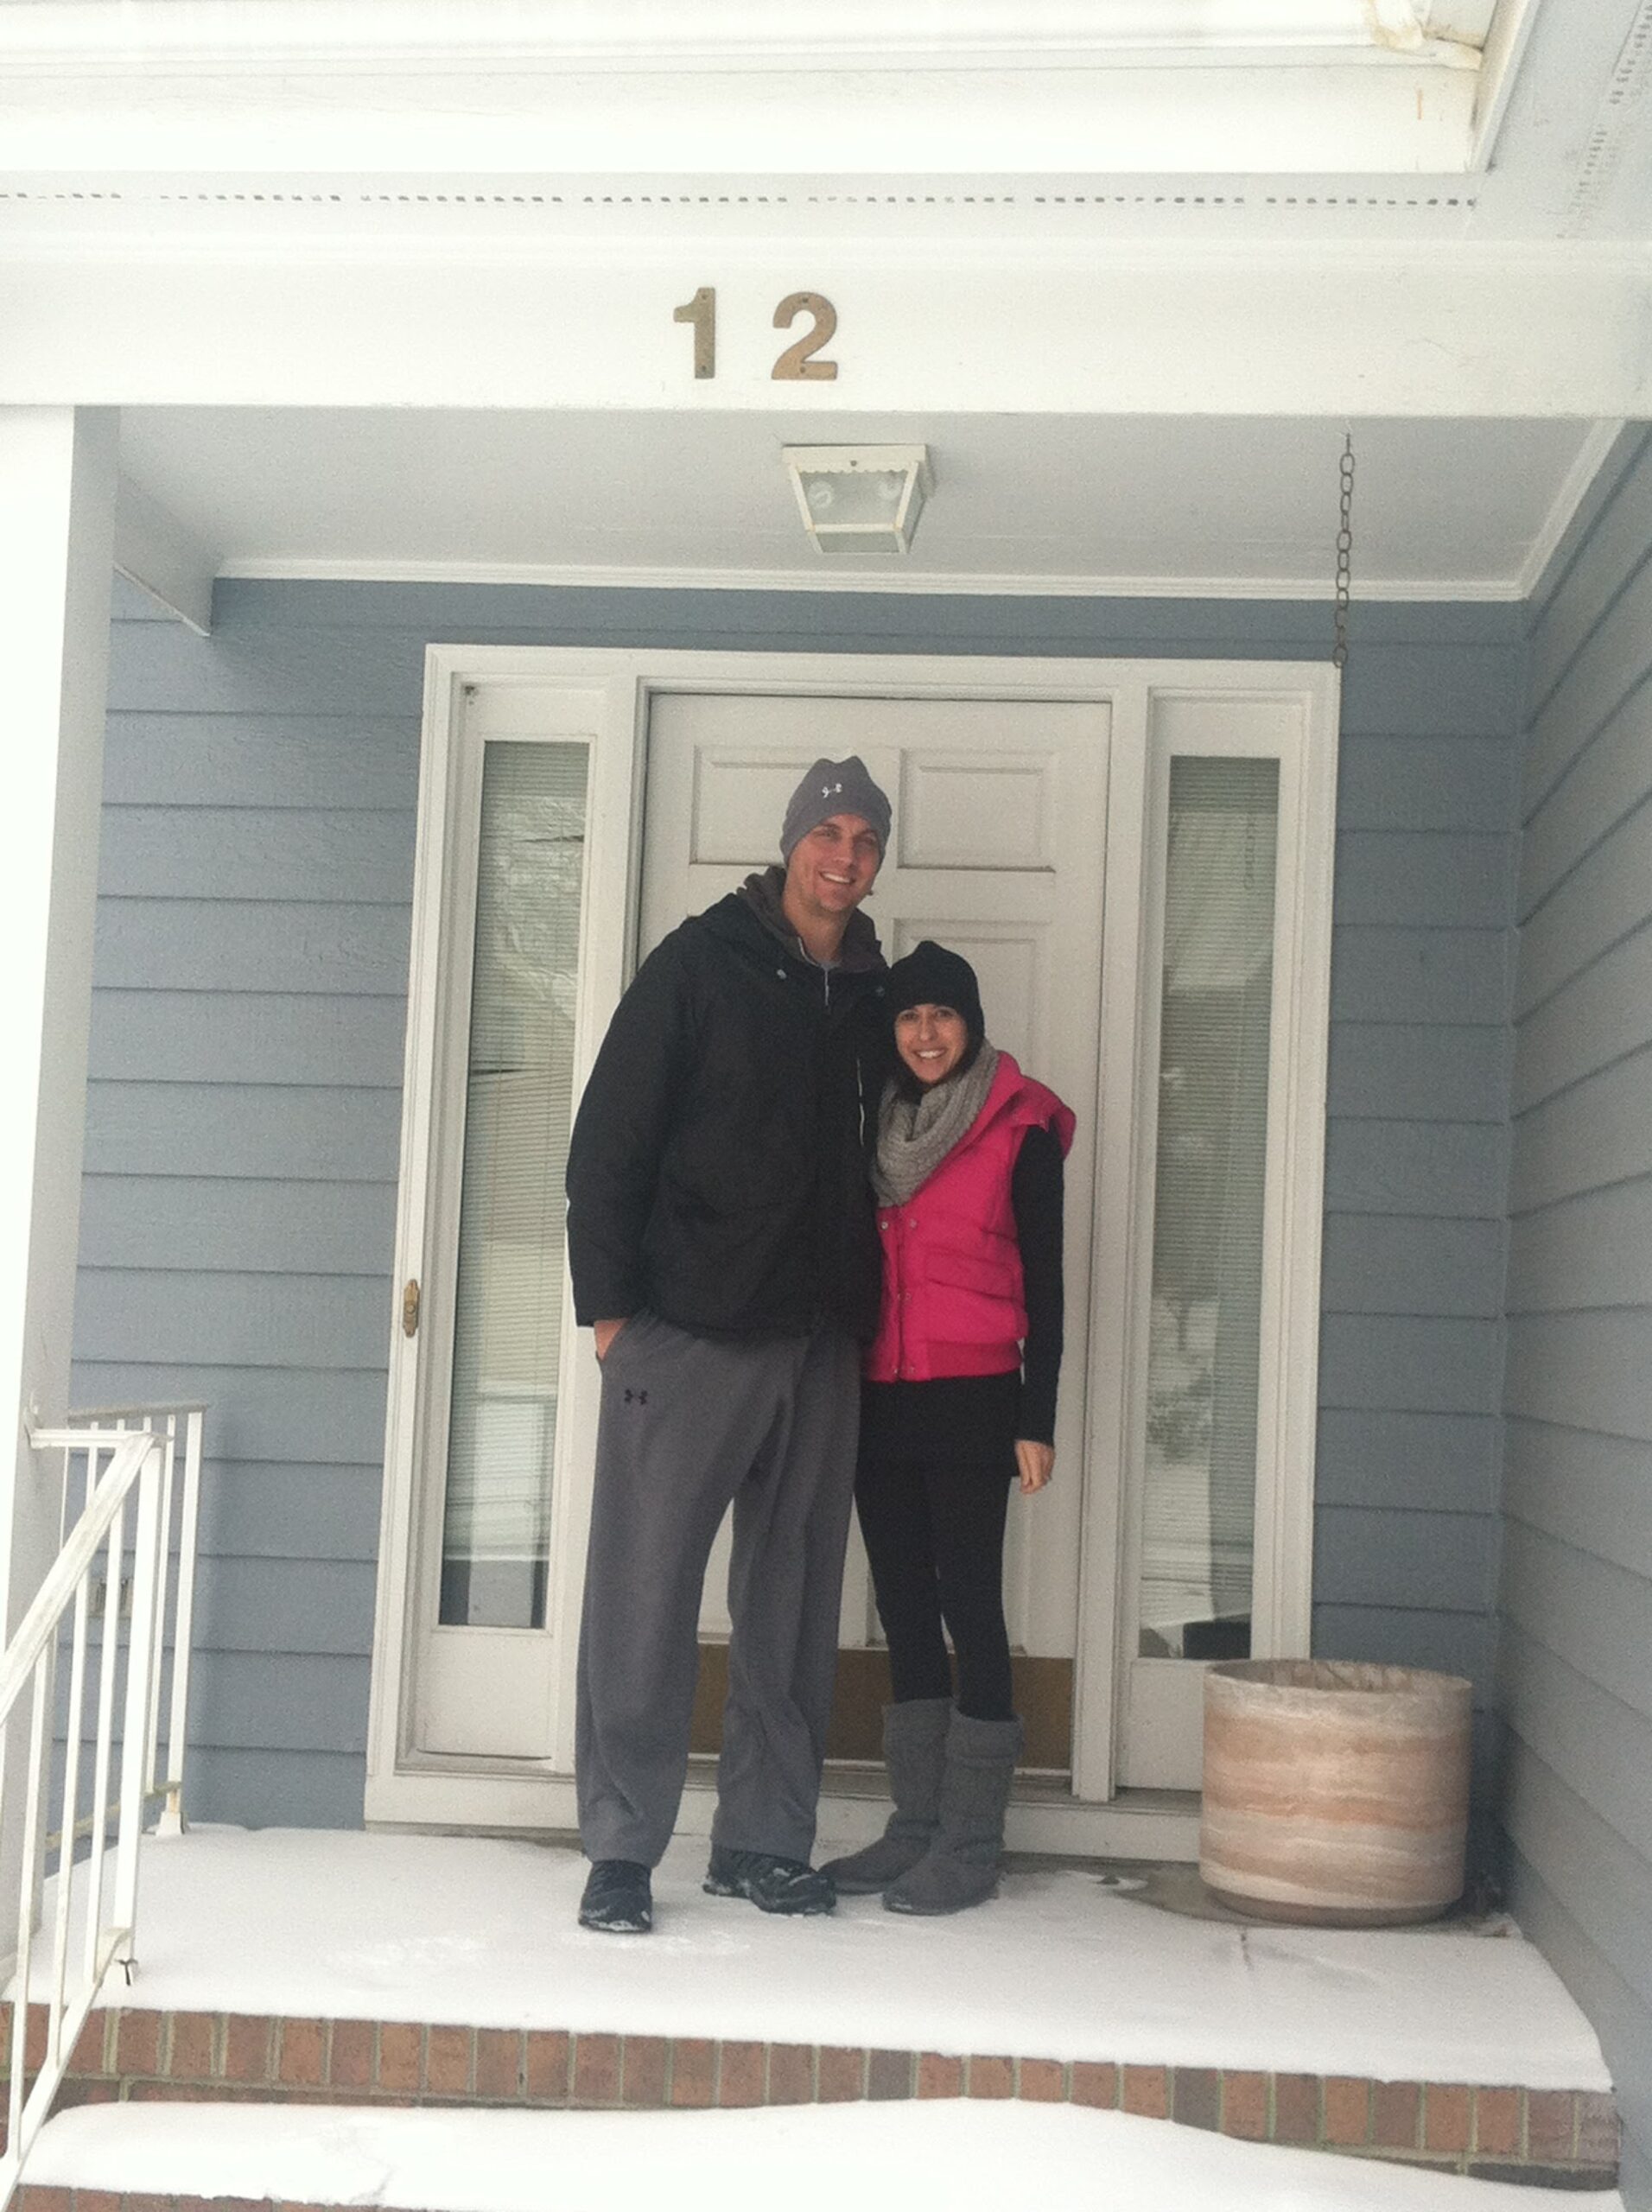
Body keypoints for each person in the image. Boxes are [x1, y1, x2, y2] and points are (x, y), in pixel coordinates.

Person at [564, 756, 892, 1936]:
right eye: (827, 832)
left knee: (791, 1609)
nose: (843, 856)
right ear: (792, 841)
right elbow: (608, 1141)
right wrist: (612, 1313)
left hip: (819, 1344)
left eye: (864, 839)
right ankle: (620, 1849)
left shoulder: (876, 995)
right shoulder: (699, 965)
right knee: (645, 1598)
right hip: (689, 1334)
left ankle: (761, 1839)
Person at [823, 942, 1072, 1915]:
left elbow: (1046, 1284)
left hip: (974, 1400)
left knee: (970, 1603)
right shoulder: (876, 1123)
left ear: (970, 1025)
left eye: (943, 1015)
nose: (925, 1034)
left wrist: (1036, 1416)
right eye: (909, 1017)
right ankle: (915, 1825)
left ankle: (970, 1842)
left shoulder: (1021, 1125)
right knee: (902, 1605)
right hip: (881, 1397)